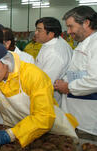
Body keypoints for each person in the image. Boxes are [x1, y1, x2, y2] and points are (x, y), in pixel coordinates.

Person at [54, 6, 97, 135]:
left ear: (86, 23)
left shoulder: (95, 45)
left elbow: (95, 79)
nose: (68, 31)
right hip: (75, 113)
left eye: (71, 26)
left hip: (88, 117)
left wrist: (69, 87)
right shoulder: (84, 43)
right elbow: (79, 72)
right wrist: (64, 81)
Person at [34, 17, 73, 105]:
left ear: (51, 34)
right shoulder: (51, 43)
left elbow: (46, 83)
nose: (35, 33)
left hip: (49, 100)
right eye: (36, 29)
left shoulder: (55, 53)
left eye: (39, 30)